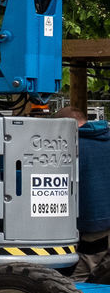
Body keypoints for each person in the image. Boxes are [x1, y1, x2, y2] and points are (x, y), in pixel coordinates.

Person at [55, 106, 110, 280]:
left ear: (64, 126)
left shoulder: (70, 147)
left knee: (79, 279)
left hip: (93, 224)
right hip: (103, 220)